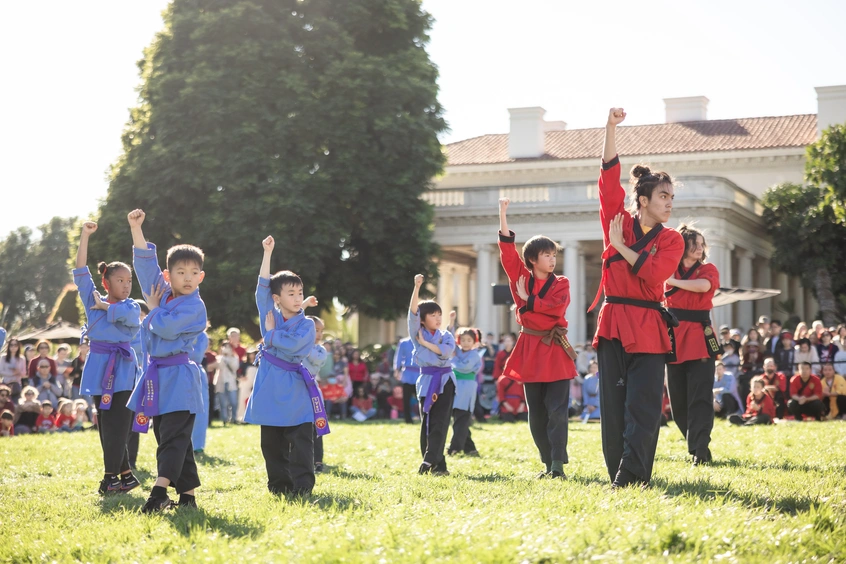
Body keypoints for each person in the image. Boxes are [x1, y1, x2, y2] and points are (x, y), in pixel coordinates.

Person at [589, 108, 685, 488]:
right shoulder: (617, 220)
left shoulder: (672, 238)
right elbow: (608, 178)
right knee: (613, 409)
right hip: (612, 322)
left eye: (672, 197)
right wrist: (610, 127)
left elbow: (655, 274)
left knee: (643, 407)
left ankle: (633, 473)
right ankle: (621, 475)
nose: (669, 202)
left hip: (648, 327)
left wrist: (620, 249)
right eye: (663, 195)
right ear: (642, 199)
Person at [127, 209, 207, 513]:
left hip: (181, 379)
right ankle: (188, 498)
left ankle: (159, 492)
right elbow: (146, 270)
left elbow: (165, 326)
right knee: (174, 438)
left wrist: (153, 308)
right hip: (158, 378)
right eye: (180, 272)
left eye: (193, 273)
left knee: (172, 438)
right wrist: (137, 229)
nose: (187, 278)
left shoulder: (195, 306)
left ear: (201, 276)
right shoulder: (162, 294)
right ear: (168, 275)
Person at [498, 198, 578, 478]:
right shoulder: (520, 276)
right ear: (532, 259)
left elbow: (556, 308)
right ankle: (547, 464)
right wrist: (503, 214)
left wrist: (527, 301)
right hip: (530, 347)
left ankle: (558, 466)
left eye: (554, 254)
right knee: (536, 413)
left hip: (554, 347)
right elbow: (508, 253)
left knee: (557, 410)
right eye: (546, 255)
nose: (552, 259)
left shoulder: (562, 283)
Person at [244, 235, 324, 496]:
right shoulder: (270, 314)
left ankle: (303, 486)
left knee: (301, 439)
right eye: (291, 293)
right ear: (277, 298)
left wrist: (270, 336)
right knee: (271, 442)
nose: (298, 297)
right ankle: (278, 485)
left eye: (300, 292)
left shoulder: (307, 324)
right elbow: (262, 288)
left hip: (295, 385)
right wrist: (267, 253)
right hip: (269, 383)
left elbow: (294, 346)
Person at [73, 220, 142, 495]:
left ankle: (110, 478)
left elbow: (131, 317)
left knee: (118, 426)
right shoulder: (93, 300)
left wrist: (107, 307)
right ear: (106, 281)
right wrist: (84, 235)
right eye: (120, 280)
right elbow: (80, 271)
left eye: (129, 281)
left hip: (123, 371)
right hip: (98, 370)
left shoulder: (132, 305)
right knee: (106, 426)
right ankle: (125, 476)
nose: (126, 285)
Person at [664, 224, 720, 465]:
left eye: (701, 243)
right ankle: (697, 446)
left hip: (699, 336)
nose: (699, 247)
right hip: (673, 338)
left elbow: (703, 287)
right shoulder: (669, 269)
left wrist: (673, 281)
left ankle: (699, 449)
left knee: (700, 397)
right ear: (683, 246)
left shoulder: (707, 269)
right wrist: (671, 278)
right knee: (677, 401)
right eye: (694, 243)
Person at [408, 274, 456, 476]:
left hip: (445, 382)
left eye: (439, 315)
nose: (438, 318)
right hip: (426, 382)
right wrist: (417, 287)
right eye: (433, 315)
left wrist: (426, 344)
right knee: (427, 422)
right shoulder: (416, 332)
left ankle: (429, 460)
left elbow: (446, 351)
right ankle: (437, 464)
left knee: (441, 422)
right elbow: (412, 313)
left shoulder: (446, 335)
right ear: (423, 319)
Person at [448, 324, 482, 457]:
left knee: (461, 418)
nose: (466, 343)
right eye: (463, 340)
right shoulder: (458, 351)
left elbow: (464, 367)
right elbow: (449, 340)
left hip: (466, 388)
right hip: (456, 386)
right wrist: (451, 322)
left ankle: (454, 448)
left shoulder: (474, 355)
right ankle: (470, 448)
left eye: (469, 340)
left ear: (474, 342)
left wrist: (452, 359)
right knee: (458, 417)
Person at [303, 316, 329, 472]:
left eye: (321, 331)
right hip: (297, 389)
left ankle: (318, 460)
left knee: (317, 425)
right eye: (315, 330)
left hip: (312, 390)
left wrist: (302, 345)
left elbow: (314, 360)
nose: (319, 334)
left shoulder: (321, 350)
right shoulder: (297, 347)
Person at [190, 331, 210, 453]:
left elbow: (196, 355)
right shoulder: (178, 329)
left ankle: (197, 445)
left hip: (196, 372)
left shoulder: (201, 335)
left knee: (200, 410)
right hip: (178, 372)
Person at [394, 335, 419, 424]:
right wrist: (396, 369)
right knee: (406, 398)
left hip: (420, 373)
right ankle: (408, 419)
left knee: (421, 398)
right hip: (407, 373)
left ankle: (423, 417)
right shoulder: (403, 342)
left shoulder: (423, 341)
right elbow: (398, 356)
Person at [215, 342, 240, 426]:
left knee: (233, 402)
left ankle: (234, 418)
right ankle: (224, 419)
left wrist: (228, 358)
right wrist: (223, 357)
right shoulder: (219, 358)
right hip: (221, 382)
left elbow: (235, 368)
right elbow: (219, 367)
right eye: (224, 347)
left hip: (231, 382)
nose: (226, 348)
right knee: (223, 403)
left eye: (228, 347)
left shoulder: (234, 358)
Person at [1, 335, 25, 400]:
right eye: (11, 345)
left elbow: (23, 373)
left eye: (15, 345)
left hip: (16, 385)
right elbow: (1, 371)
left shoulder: (21, 358)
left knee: (15, 405)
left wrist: (18, 371)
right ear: (8, 346)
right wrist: (13, 373)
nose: (13, 347)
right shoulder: (3, 357)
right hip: (5, 385)